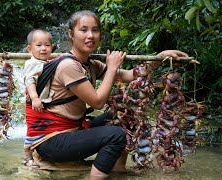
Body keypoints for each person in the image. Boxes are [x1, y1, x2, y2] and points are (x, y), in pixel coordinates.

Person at [24, 10, 189, 179]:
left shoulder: (89, 64)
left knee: (126, 115)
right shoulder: (68, 66)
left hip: (72, 129)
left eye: (95, 30)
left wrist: (159, 58)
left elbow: (131, 75)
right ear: (70, 34)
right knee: (116, 136)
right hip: (52, 141)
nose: (90, 35)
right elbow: (97, 102)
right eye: (84, 30)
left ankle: (118, 171)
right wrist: (111, 68)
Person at [23, 29, 54, 164]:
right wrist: (35, 98)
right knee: (34, 128)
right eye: (39, 45)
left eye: (47, 45)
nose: (43, 48)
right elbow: (29, 80)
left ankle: (36, 153)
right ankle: (27, 156)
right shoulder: (32, 63)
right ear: (29, 49)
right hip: (35, 103)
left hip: (44, 103)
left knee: (42, 127)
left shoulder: (45, 62)